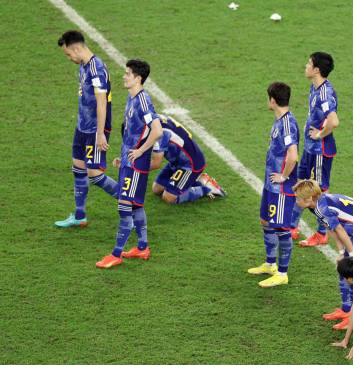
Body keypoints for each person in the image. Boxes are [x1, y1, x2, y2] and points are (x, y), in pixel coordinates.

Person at [292, 179, 353, 330]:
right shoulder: (316, 204)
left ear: (309, 198)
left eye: (298, 198)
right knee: (344, 269)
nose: (296, 201)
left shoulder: (321, 208)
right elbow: (332, 229)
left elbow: (341, 231)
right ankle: (347, 310)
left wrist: (351, 255)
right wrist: (342, 252)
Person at [96, 59, 162, 269]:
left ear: (138, 78)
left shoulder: (143, 100)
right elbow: (133, 132)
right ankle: (142, 247)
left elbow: (157, 130)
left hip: (136, 165)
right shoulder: (131, 97)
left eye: (127, 73)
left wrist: (140, 151)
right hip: (128, 161)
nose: (124, 76)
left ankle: (116, 254)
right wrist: (122, 154)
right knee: (135, 205)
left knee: (124, 207)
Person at [55, 30, 118, 228]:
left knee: (95, 175)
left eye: (68, 54)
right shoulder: (83, 66)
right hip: (82, 126)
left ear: (77, 48)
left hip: (95, 130)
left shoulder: (96, 69)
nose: (69, 58)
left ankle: (132, 206)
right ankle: (80, 215)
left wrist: (100, 134)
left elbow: (101, 104)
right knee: (78, 168)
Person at [247, 82, 299, 287]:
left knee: (281, 228)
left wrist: (284, 177)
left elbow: (293, 156)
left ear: (273, 100)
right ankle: (270, 263)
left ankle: (282, 273)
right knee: (266, 221)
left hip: (281, 188)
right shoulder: (280, 121)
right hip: (271, 185)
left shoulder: (287, 124)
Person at [289, 52, 340, 247]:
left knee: (318, 192)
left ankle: (321, 233)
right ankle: (292, 226)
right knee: (300, 183)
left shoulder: (325, 93)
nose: (306, 66)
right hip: (310, 149)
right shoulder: (315, 87)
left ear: (317, 70)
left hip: (321, 150)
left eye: (309, 63)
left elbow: (334, 121)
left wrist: (319, 134)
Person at [149, 114, 226, 204]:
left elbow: (156, 163)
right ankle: (195, 181)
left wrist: (133, 170)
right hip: (177, 162)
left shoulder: (161, 133)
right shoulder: (156, 119)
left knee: (169, 197)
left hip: (191, 164)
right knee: (157, 189)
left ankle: (207, 188)